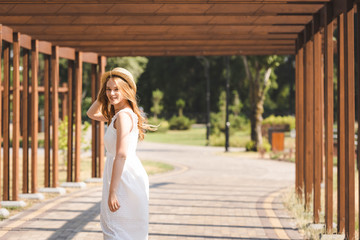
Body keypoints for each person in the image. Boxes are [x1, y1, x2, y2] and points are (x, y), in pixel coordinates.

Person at [87, 67, 152, 240]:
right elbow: (91, 113)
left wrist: (113, 191)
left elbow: (121, 154)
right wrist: (103, 94)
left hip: (123, 177)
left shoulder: (123, 116)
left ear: (127, 90)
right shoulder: (118, 114)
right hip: (122, 174)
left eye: (117, 89)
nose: (111, 93)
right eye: (108, 89)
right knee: (121, 230)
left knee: (117, 231)